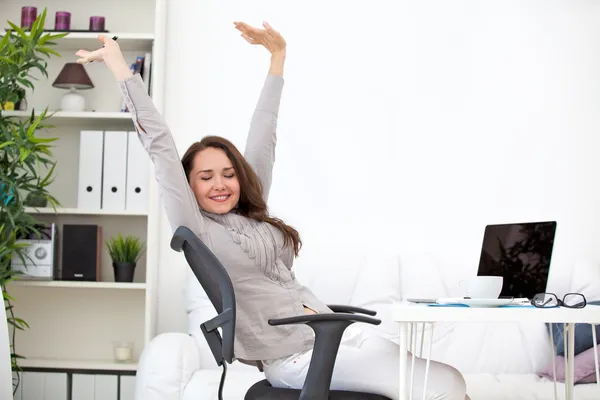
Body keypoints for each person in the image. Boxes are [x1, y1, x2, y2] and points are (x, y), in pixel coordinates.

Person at [75, 21, 470, 400]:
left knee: (449, 382)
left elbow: (264, 135)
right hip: (296, 358)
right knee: (443, 385)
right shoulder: (194, 225)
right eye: (206, 176)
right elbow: (160, 145)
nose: (220, 184)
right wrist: (119, 68)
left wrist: (277, 58)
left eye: (228, 174)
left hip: (334, 337)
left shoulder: (251, 211)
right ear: (188, 185)